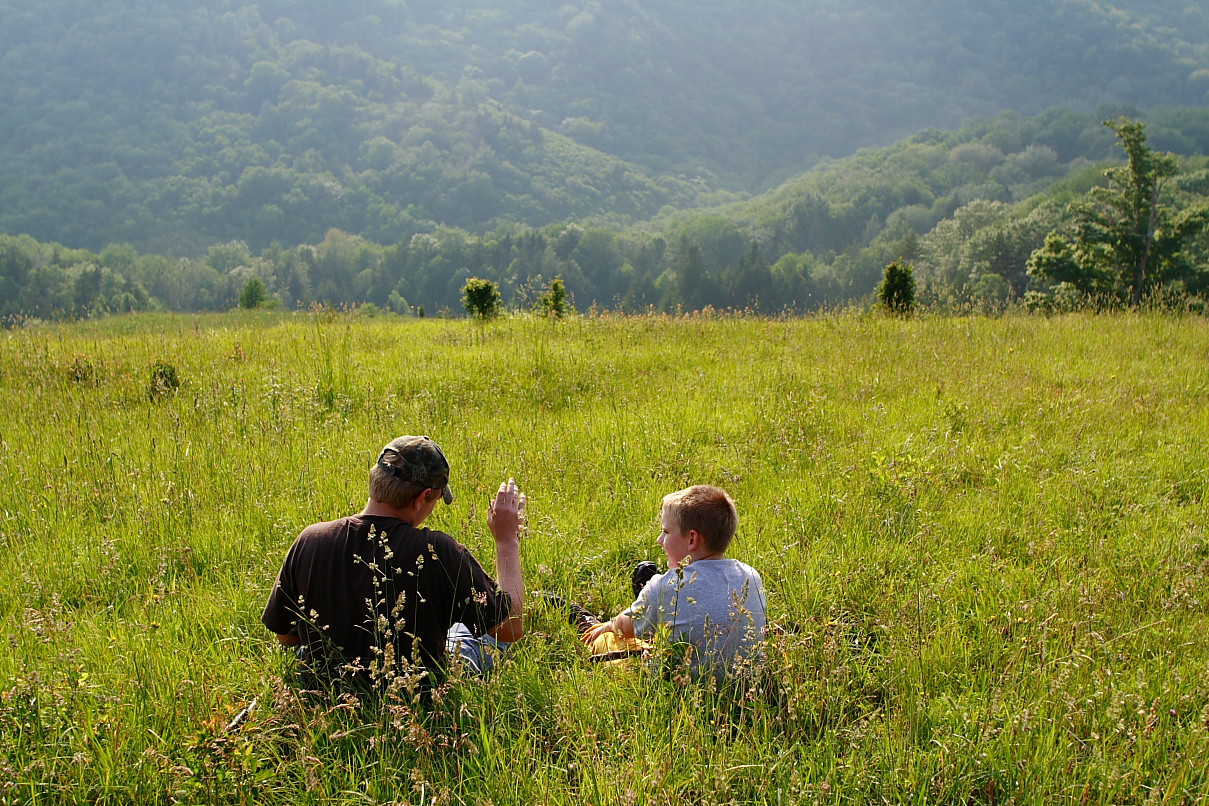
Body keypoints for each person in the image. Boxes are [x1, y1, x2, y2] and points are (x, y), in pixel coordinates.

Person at [261, 435, 525, 696]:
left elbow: (287, 637)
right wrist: (506, 540)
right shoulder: (437, 551)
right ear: (422, 497)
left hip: (327, 694)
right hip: (415, 701)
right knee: (482, 637)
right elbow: (510, 628)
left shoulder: (311, 539)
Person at [579, 485, 766, 677]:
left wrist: (609, 625)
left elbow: (624, 628)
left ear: (692, 540)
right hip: (745, 685)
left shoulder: (666, 586)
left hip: (682, 688)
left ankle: (587, 626)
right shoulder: (750, 575)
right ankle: (654, 616)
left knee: (610, 639)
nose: (660, 540)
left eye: (666, 532)